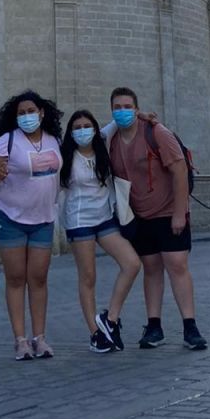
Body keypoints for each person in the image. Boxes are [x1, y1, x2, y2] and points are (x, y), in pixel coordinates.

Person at [104, 86, 207, 350]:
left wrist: (179, 213)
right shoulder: (113, 140)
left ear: (136, 109)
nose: (123, 111)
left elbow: (179, 170)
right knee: (150, 269)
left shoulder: (156, 133)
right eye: (117, 107)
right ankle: (154, 326)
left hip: (168, 211)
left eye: (127, 106)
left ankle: (190, 326)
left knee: (176, 265)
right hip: (140, 216)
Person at [0, 89, 63, 359]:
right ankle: (20, 340)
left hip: (43, 218)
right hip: (10, 217)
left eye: (31, 111)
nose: (27, 116)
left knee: (39, 278)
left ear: (42, 112)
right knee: (16, 277)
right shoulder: (7, 141)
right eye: (21, 113)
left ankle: (39, 338)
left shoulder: (55, 140)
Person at [59, 109, 141, 352]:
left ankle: (110, 319)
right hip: (79, 221)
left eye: (87, 126)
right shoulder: (65, 156)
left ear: (95, 128)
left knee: (131, 263)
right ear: (70, 132)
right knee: (88, 277)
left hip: (105, 218)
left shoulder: (102, 142)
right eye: (77, 127)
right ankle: (95, 334)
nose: (82, 130)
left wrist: (145, 115)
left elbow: (121, 118)